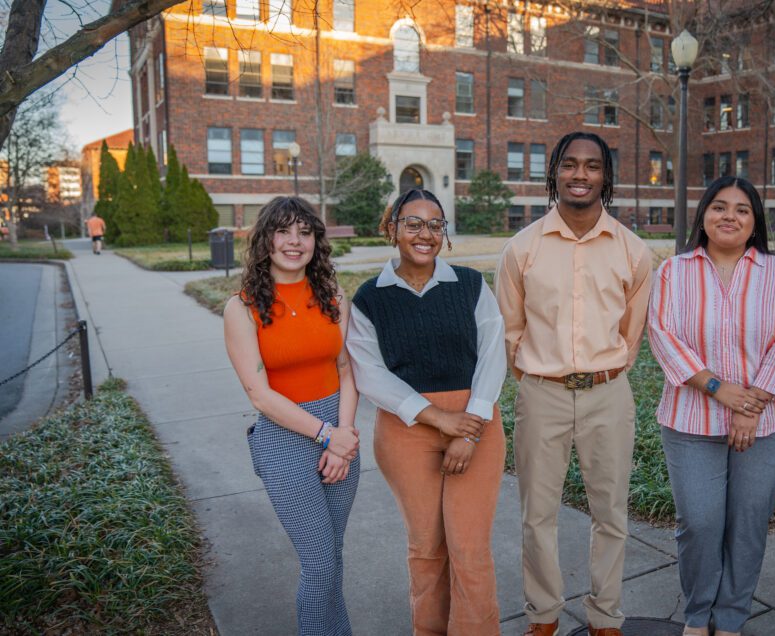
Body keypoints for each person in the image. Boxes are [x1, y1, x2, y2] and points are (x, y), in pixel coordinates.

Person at [495, 131, 652, 636]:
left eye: (591, 166)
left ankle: (605, 615)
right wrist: (542, 378)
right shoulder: (522, 249)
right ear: (554, 174)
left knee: (611, 513)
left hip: (609, 394)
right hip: (543, 394)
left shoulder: (632, 250)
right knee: (537, 514)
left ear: (605, 177)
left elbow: (632, 334)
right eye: (569, 165)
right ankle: (543, 615)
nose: (580, 174)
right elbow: (511, 330)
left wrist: (604, 374)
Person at [647, 176, 775, 636]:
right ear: (703, 217)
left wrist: (747, 407)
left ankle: (731, 618)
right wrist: (720, 390)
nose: (729, 216)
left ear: (755, 222)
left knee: (747, 525)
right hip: (690, 420)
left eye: (741, 209)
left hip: (768, 423)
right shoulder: (674, 272)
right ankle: (698, 618)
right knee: (698, 523)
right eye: (718, 207)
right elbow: (663, 336)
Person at [347, 188, 507, 636]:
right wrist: (438, 419)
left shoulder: (471, 285)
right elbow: (371, 374)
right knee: (426, 547)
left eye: (435, 225)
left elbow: (494, 355)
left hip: (476, 426)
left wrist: (468, 429)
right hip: (406, 432)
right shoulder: (369, 298)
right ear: (392, 228)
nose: (425, 234)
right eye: (413, 223)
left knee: (470, 548)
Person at [222, 196, 361, 636]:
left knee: (333, 556)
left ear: (316, 242)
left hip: (338, 433)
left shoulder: (334, 297)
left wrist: (344, 435)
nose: (294, 242)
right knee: (318, 564)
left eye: (304, 232)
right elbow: (259, 395)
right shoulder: (241, 308)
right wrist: (327, 436)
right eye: (284, 231)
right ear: (265, 240)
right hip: (285, 441)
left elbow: (346, 371)